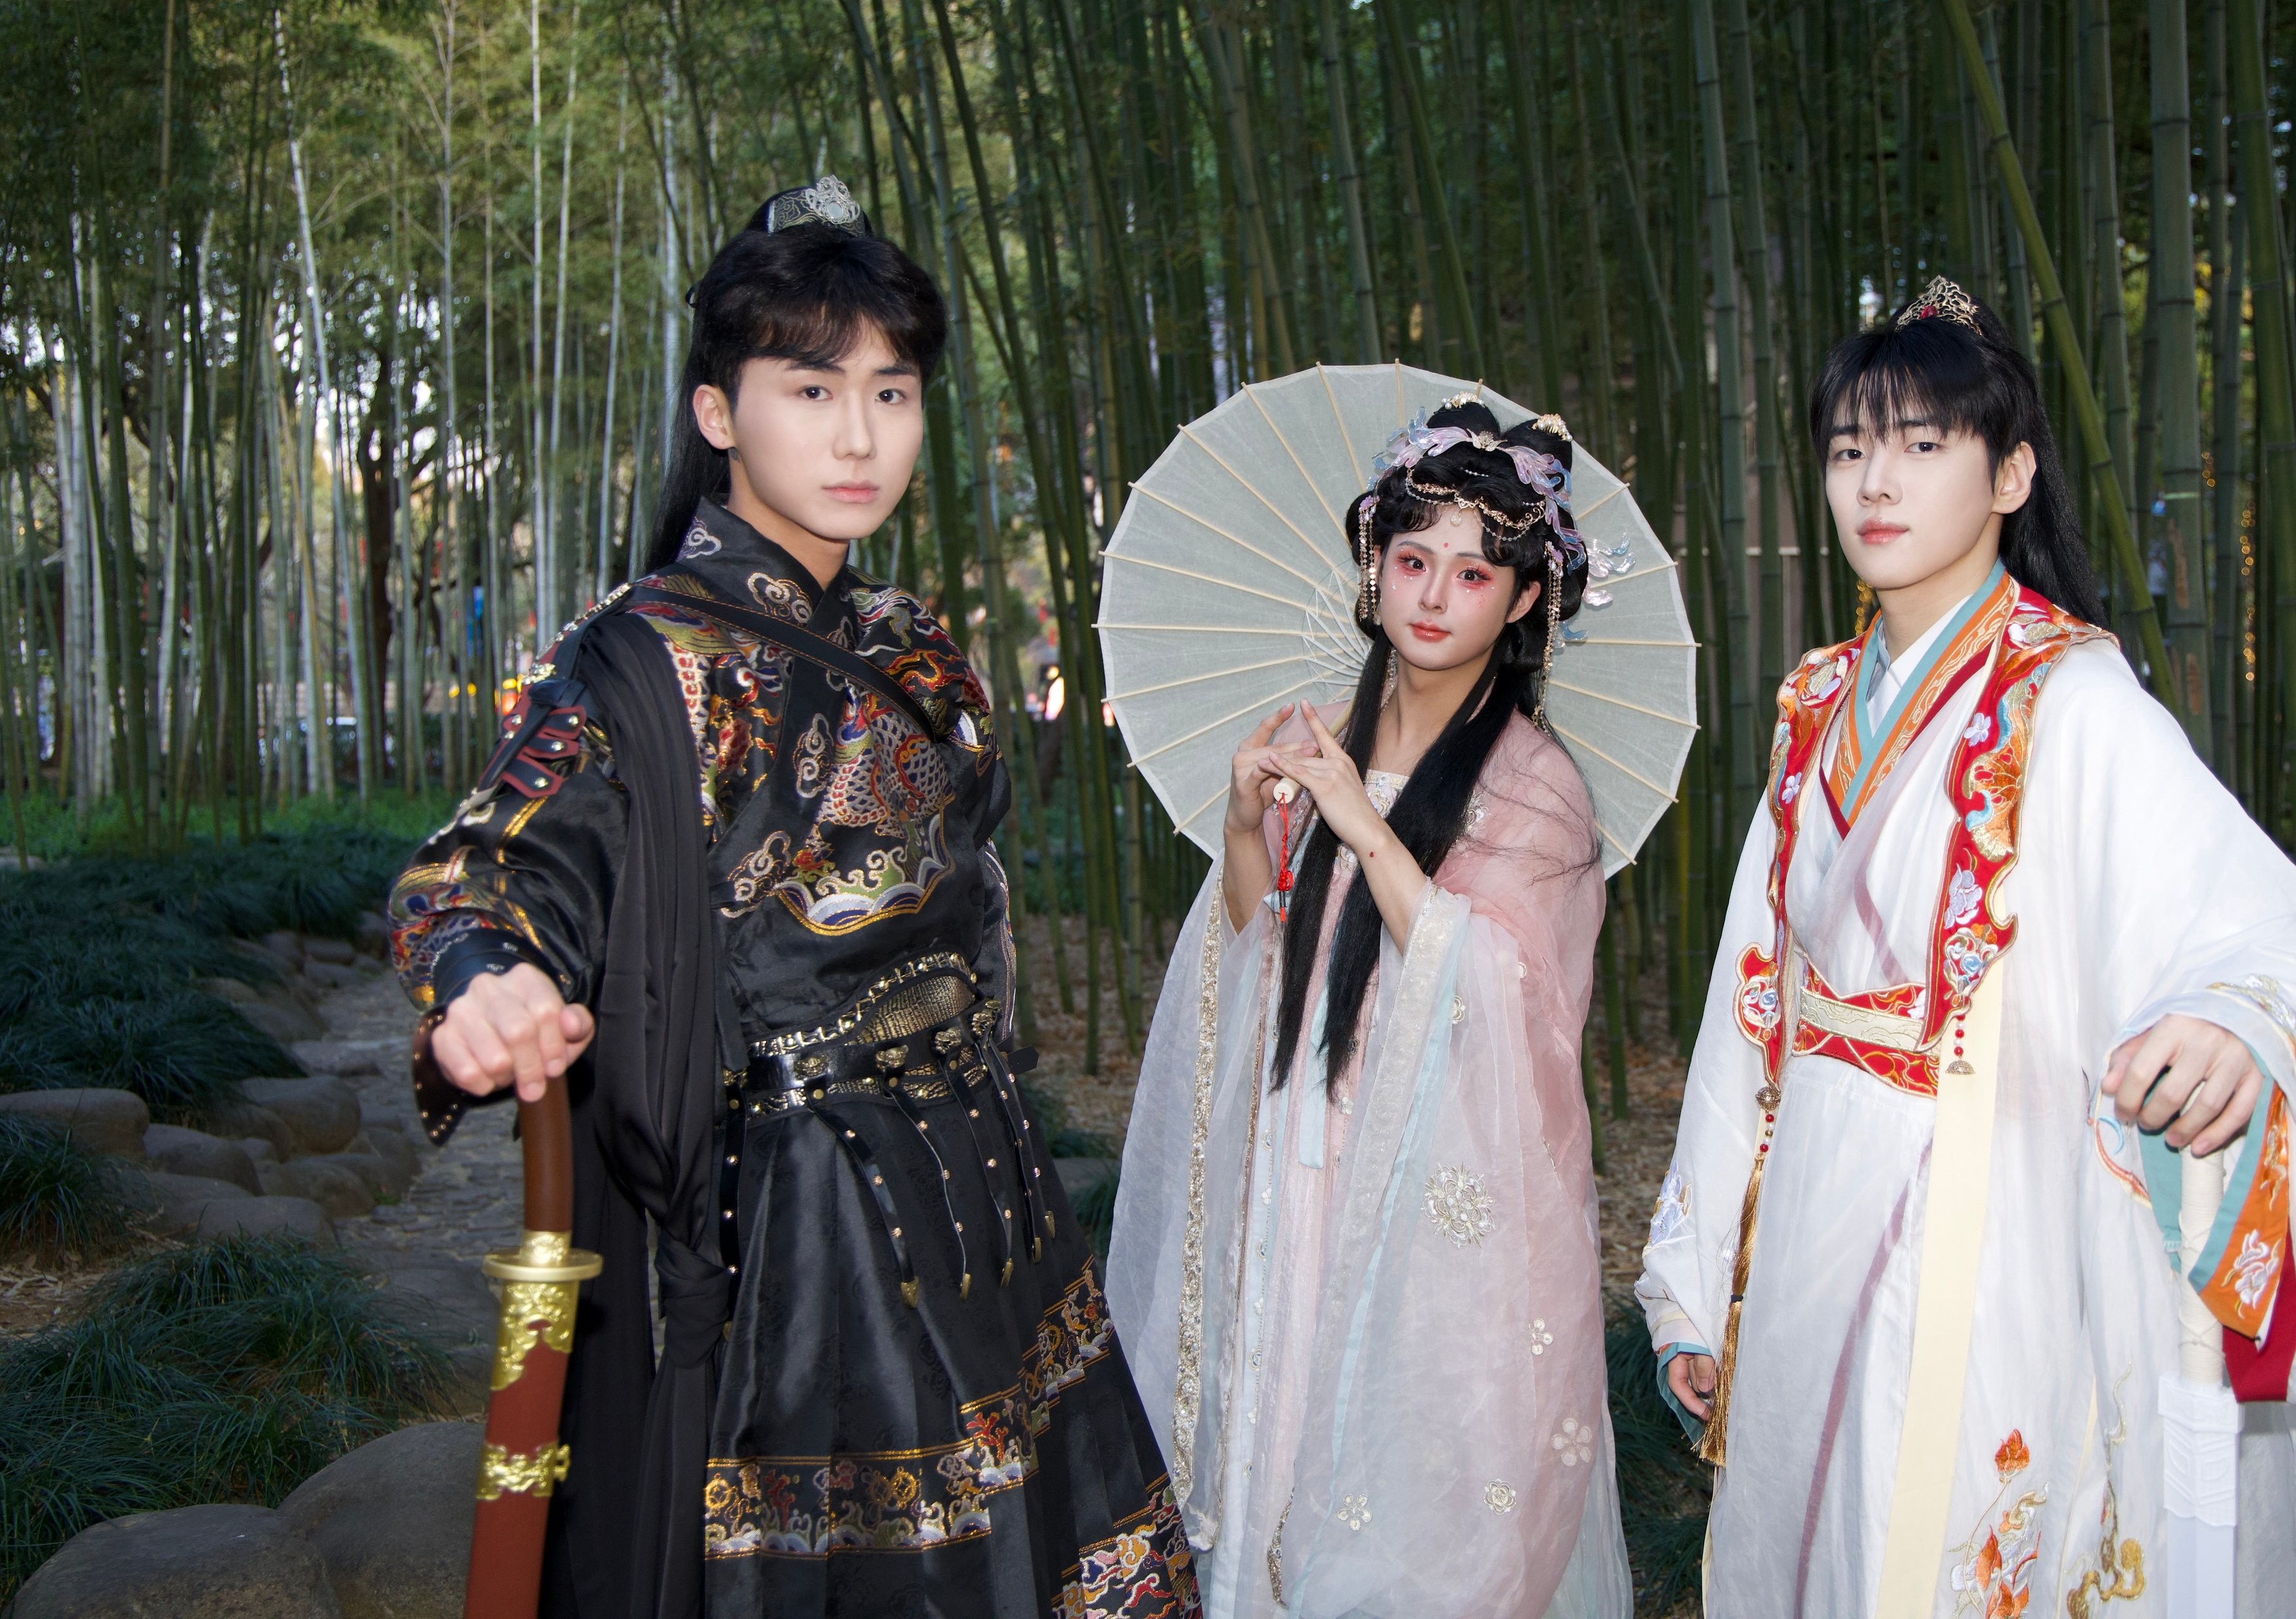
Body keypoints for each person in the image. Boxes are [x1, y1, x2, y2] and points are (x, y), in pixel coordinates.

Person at [388, 177, 1196, 1619]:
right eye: (811, 389)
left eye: (892, 392)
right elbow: (487, 870)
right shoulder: (639, 659)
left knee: (1033, 1543)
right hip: (809, 1219)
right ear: (719, 413)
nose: (858, 435)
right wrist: (485, 977)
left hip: (986, 1171)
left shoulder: (912, 641)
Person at [1636, 279, 2296, 1617]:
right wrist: (1697, 1284)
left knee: (1931, 1538)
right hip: (1809, 1197)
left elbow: (2274, 941)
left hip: (1979, 1213)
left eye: (1922, 443)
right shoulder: (1816, 703)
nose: (1875, 481)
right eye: (1847, 448)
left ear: (2010, 474)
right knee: (1806, 1542)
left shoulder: (2072, 697)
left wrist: (2234, 1023)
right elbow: (1749, 999)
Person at [1109, 400, 1634, 1619]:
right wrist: (1250, 823)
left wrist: (1363, 824)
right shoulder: (1328, 740)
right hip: (1293, 1154)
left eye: (1475, 572)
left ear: (1525, 599)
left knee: (1390, 1454)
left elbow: (1507, 1009)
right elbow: (1267, 952)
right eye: (1413, 560)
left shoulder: (1537, 789)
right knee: (1270, 1411)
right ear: (1372, 567)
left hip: (1413, 1183)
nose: (1435, 595)